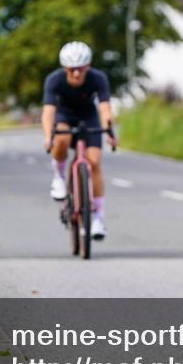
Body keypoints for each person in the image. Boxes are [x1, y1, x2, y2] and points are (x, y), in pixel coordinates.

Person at [42, 41, 117, 240]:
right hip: (64, 117)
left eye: (81, 69)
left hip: (88, 117)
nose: (76, 74)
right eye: (72, 69)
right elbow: (48, 112)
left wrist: (109, 131)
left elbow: (104, 107)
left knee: (94, 163)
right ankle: (58, 176)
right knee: (62, 138)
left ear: (88, 66)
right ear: (64, 68)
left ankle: (98, 217)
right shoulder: (54, 80)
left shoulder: (98, 78)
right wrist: (48, 136)